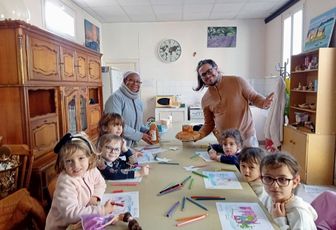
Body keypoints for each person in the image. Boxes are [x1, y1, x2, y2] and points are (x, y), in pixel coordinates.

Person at [194, 59, 274, 147]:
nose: (208, 75)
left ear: (216, 68)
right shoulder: (205, 99)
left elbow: (254, 97)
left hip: (247, 139)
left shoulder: (237, 81)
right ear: (201, 78)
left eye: (209, 71)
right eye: (203, 74)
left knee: (252, 161)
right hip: (226, 143)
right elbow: (209, 124)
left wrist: (264, 102)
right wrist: (198, 135)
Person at [45, 132, 116, 230]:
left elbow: (101, 183)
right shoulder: (65, 182)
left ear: (89, 157)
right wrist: (103, 210)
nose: (76, 166)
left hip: (81, 221)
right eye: (69, 161)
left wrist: (95, 197)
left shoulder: (90, 170)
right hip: (65, 227)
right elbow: (71, 214)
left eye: (81, 158)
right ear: (63, 163)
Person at [260, 152, 317, 229]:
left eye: (282, 179)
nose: (274, 186)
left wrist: (280, 221)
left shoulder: (300, 215)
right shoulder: (268, 198)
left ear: (295, 181)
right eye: (268, 178)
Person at [104, 71, 152, 147]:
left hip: (132, 146)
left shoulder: (138, 101)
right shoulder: (115, 98)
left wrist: (147, 131)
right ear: (124, 81)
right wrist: (140, 135)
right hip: (116, 146)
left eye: (138, 82)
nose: (135, 83)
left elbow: (137, 123)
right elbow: (115, 125)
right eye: (131, 80)